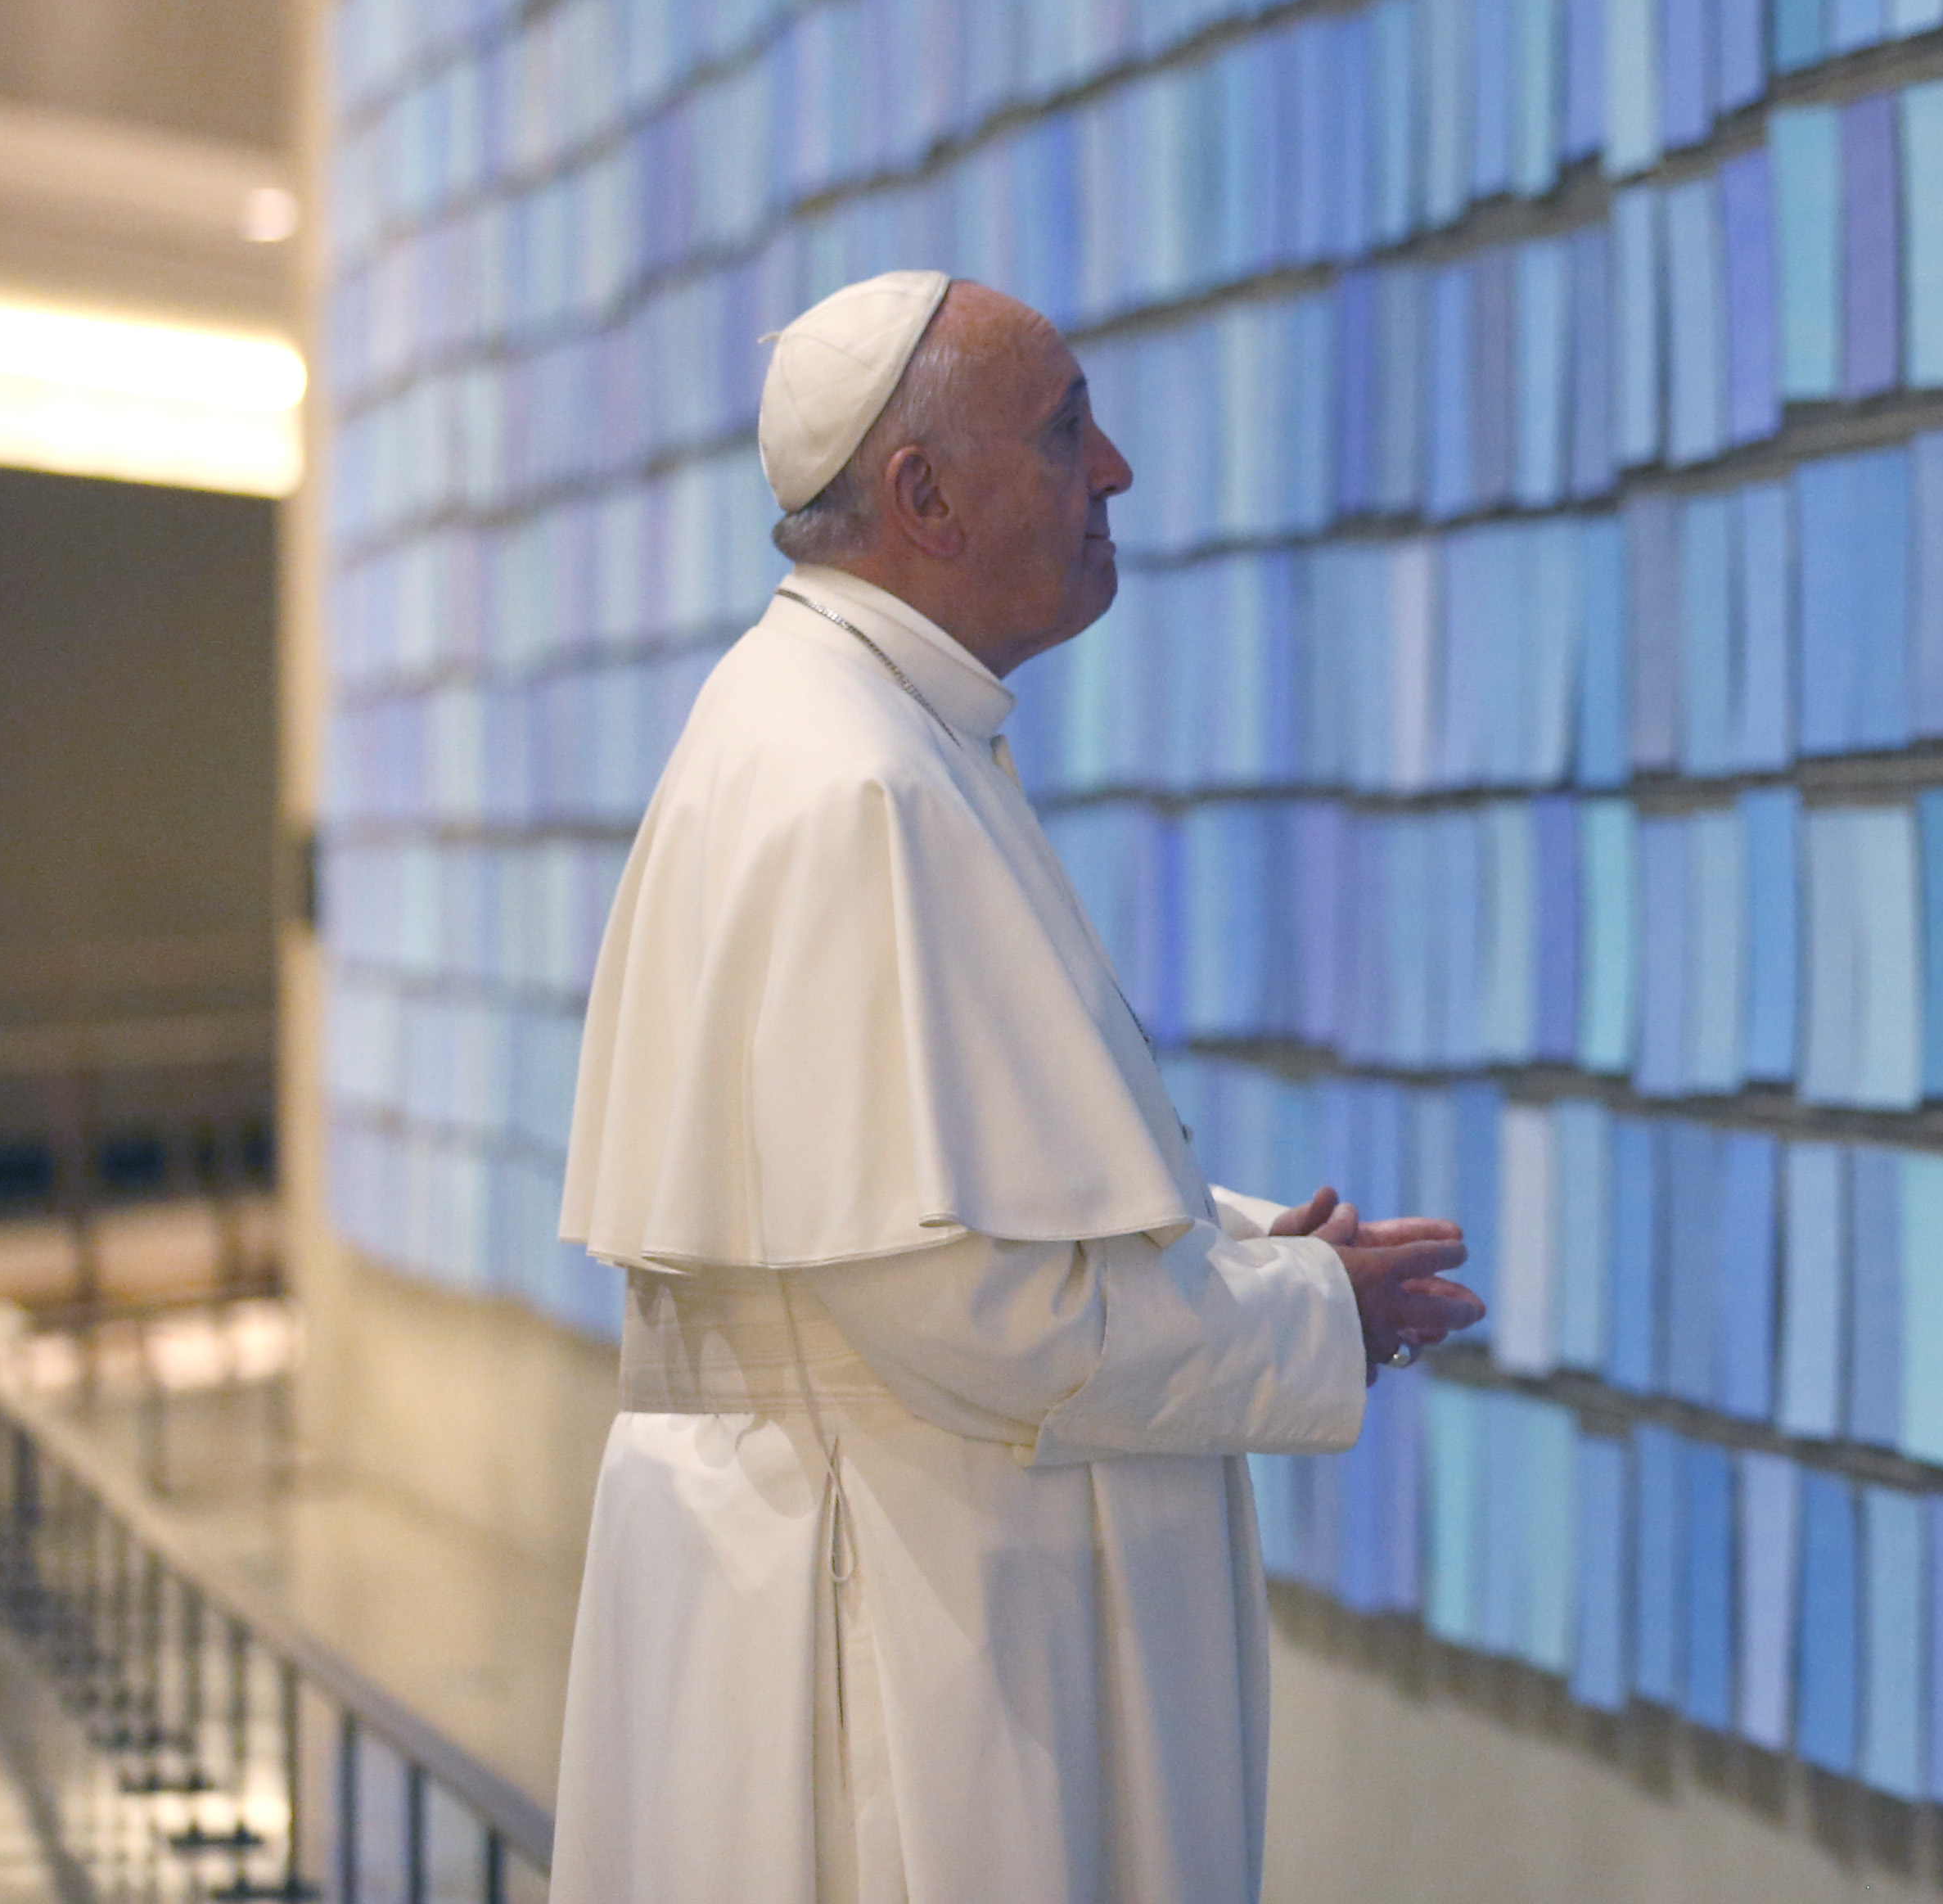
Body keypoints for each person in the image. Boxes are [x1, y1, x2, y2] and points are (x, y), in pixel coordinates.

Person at [550, 269, 1480, 1904]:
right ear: (920, 494)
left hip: (884, 1564)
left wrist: (1253, 1243)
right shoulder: (854, 778)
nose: (1112, 468)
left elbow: (952, 1187)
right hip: (898, 1629)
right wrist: (1306, 1314)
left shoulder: (855, 728)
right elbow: (956, 1302)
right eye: (1065, 432)